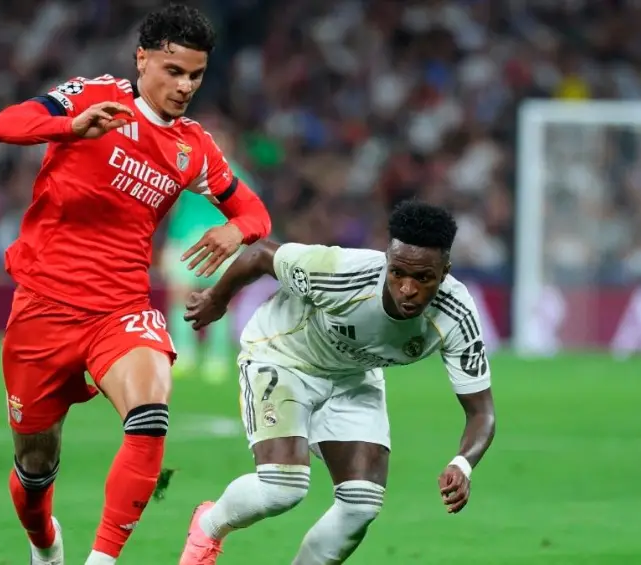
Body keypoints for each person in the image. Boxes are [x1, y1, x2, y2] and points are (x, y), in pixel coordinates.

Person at [0, 5, 271, 565]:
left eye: (195, 75)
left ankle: (103, 560)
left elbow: (254, 211)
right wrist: (69, 127)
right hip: (43, 307)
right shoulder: (92, 97)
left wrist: (236, 230)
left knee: (150, 416)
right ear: (143, 59)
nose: (185, 86)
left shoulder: (193, 147)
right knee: (35, 469)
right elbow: (4, 125)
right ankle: (45, 544)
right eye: (174, 70)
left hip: (120, 310)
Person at [178, 200, 496, 565]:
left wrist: (463, 463)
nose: (407, 288)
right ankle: (208, 526)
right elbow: (261, 255)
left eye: (423, 278)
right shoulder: (342, 273)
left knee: (361, 505)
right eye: (397, 273)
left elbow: (481, 412)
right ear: (387, 260)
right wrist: (217, 299)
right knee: (283, 488)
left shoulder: (456, 314)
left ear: (444, 272)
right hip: (284, 354)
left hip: (353, 376)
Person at [161, 126, 261, 384]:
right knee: (180, 295)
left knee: (219, 297)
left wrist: (238, 241)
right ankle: (183, 352)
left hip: (222, 242)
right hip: (186, 239)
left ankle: (217, 356)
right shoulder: (186, 169)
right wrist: (170, 241)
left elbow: (248, 213)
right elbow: (172, 207)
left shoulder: (237, 175)